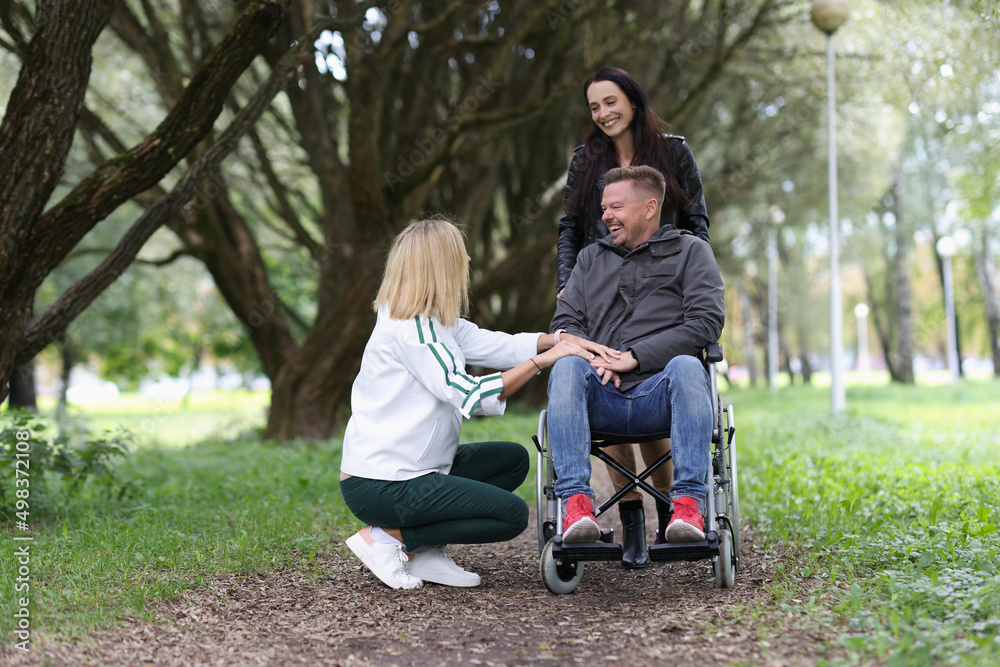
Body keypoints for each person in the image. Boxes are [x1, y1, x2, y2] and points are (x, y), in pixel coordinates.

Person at [340, 218, 618, 590]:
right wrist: (543, 361)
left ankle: (423, 552)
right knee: (511, 516)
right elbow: (470, 396)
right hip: (384, 483)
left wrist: (560, 340)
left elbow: (496, 344)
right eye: (460, 253)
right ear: (439, 264)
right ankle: (388, 538)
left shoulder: (436, 320)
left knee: (511, 460)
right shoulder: (413, 331)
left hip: (416, 471)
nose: (468, 259)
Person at [555, 66, 712, 566]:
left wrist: (691, 269)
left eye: (610, 102)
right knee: (581, 364)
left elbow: (695, 220)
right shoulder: (587, 161)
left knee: (672, 368)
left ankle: (676, 507)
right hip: (599, 284)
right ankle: (624, 515)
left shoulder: (673, 152)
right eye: (594, 106)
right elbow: (570, 227)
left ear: (634, 101)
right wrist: (571, 291)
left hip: (662, 284)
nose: (602, 113)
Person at [547, 165, 724, 546]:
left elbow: (706, 323)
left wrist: (635, 356)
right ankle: (576, 505)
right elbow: (564, 324)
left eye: (616, 207)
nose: (605, 216)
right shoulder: (590, 259)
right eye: (604, 208)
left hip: (661, 396)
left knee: (688, 364)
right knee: (566, 364)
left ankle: (689, 506)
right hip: (600, 396)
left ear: (649, 208)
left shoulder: (691, 252)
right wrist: (594, 357)